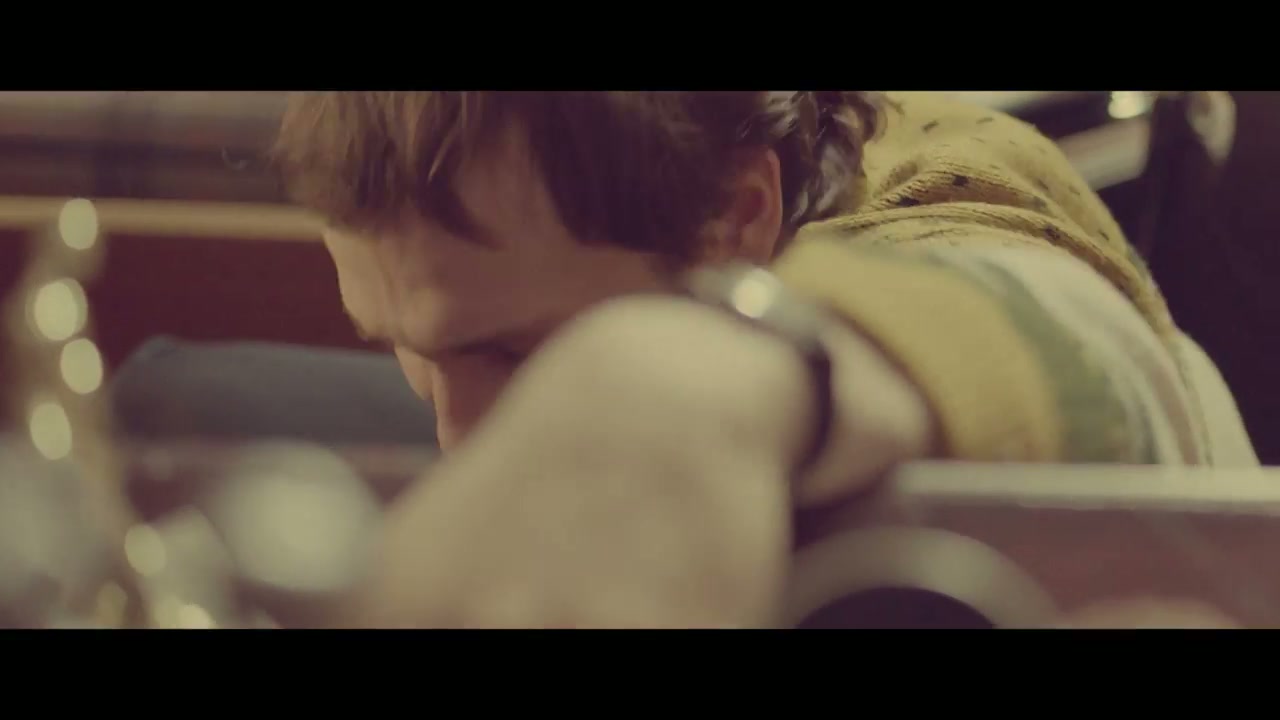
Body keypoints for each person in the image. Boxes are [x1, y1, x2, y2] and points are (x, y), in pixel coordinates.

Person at [268, 91, 1255, 628]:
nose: (455, 435)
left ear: (735, 218)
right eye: (404, 349)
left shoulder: (956, 183)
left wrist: (662, 382)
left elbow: (1082, 348)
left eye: (513, 351)